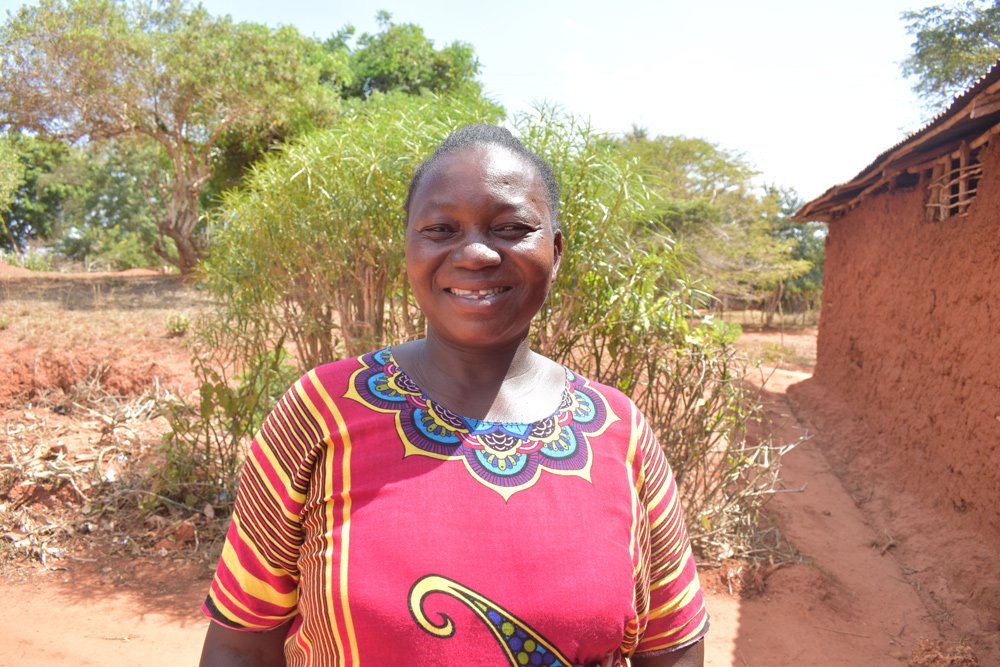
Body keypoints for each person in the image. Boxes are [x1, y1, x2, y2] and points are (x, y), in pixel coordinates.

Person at [199, 124, 709, 666]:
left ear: (556, 252)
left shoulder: (618, 431)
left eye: (511, 228)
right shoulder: (321, 411)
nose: (476, 254)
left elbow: (671, 651)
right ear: (409, 249)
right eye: (440, 229)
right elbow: (242, 647)